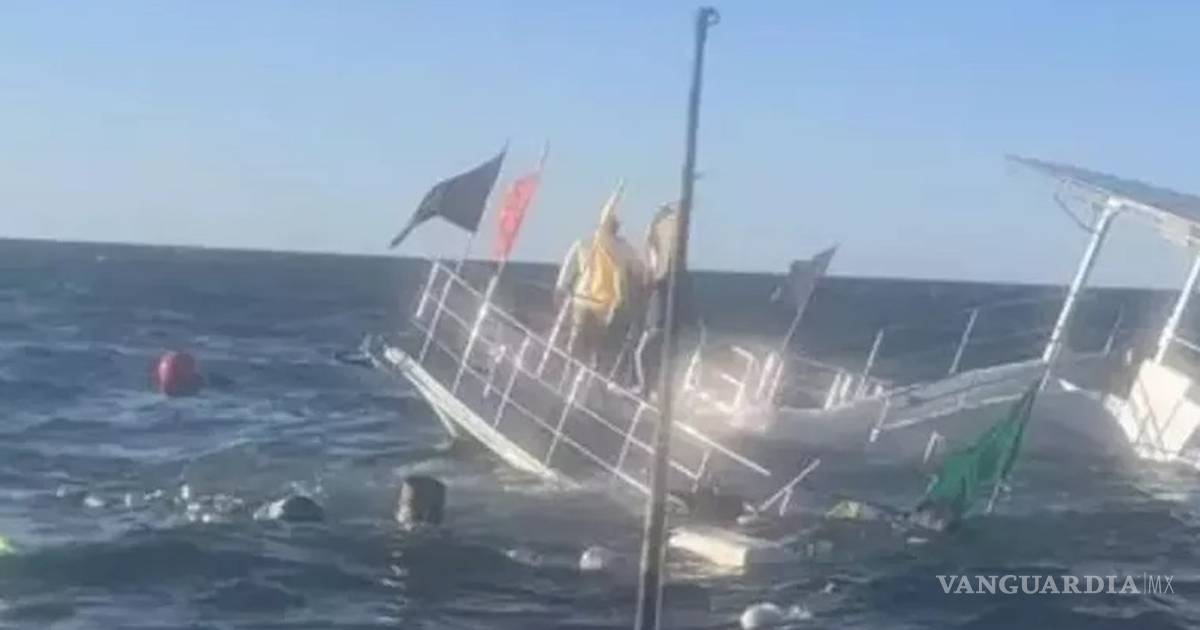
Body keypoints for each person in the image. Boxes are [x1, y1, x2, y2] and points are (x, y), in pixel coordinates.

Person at [555, 209, 635, 370]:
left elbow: (566, 274)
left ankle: (568, 369)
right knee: (597, 343)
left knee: (577, 337)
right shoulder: (624, 248)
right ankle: (592, 369)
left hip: (583, 299)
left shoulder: (582, 243)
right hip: (605, 305)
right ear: (615, 228)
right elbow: (638, 271)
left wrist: (561, 289)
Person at [634, 203, 682, 397]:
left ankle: (646, 390)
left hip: (660, 325)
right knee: (657, 358)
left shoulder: (661, 280)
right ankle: (654, 390)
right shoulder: (669, 279)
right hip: (664, 325)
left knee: (642, 354)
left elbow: (652, 243)